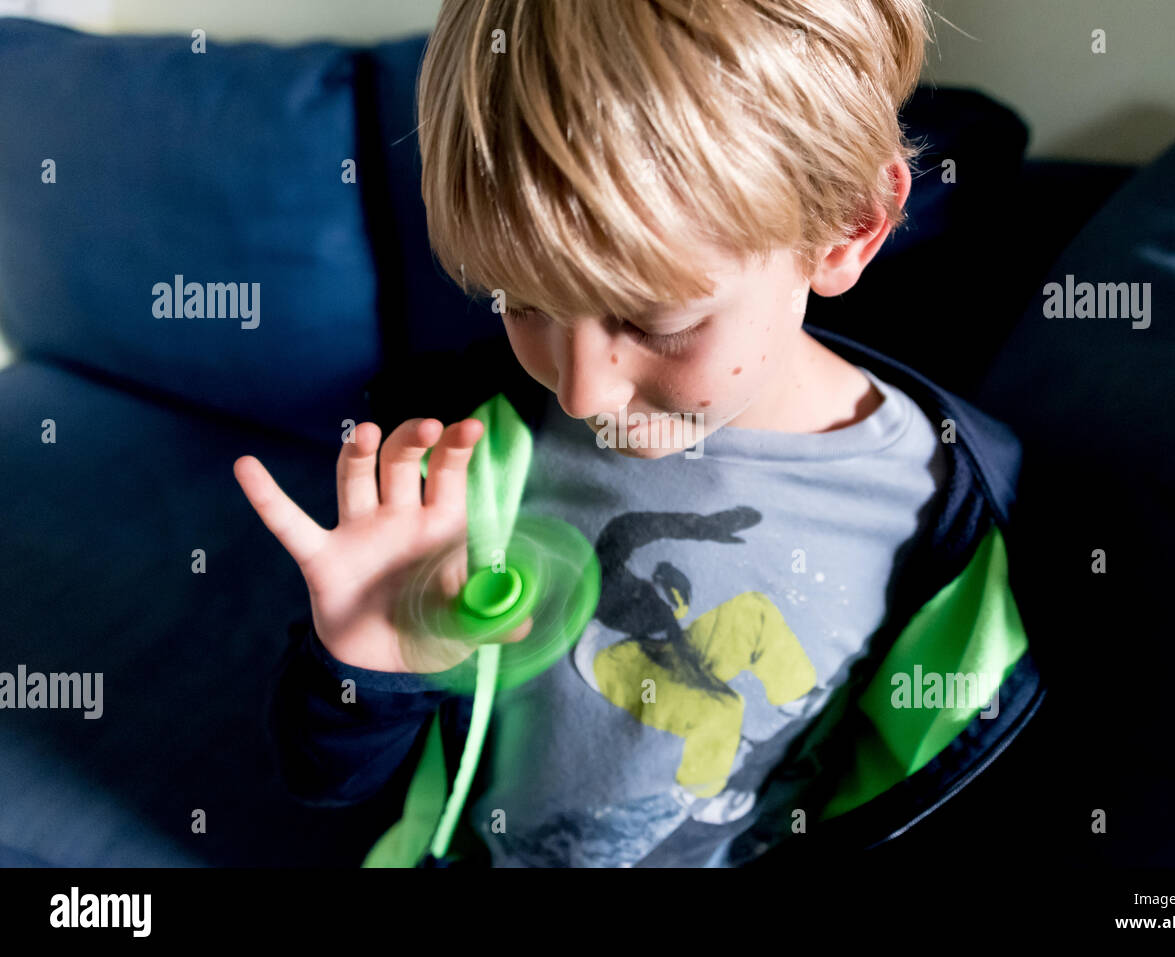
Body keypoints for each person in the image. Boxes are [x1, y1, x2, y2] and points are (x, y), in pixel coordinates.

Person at [234, 0, 1040, 868]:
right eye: (523, 303)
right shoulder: (454, 449)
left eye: (654, 322)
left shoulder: (958, 517)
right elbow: (326, 777)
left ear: (848, 225)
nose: (581, 392)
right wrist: (370, 664)